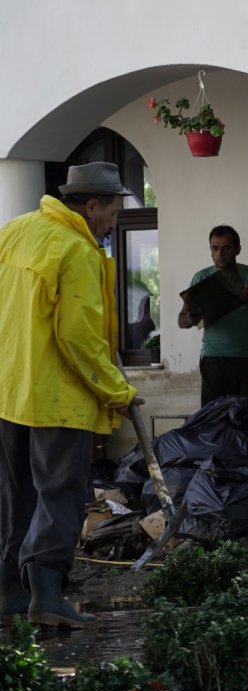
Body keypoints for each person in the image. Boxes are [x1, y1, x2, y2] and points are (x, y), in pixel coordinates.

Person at [0, 162, 143, 628]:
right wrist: (117, 390)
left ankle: (9, 592)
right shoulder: (77, 250)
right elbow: (78, 339)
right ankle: (45, 594)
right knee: (59, 493)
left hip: (9, 391)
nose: (114, 222)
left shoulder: (17, 230)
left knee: (15, 494)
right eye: (113, 212)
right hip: (58, 400)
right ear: (91, 205)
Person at [178, 225, 248, 428]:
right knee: (215, 424)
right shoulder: (202, 278)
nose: (219, 254)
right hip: (215, 360)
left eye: (226, 248)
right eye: (214, 248)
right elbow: (182, 319)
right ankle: (218, 460)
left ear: (238, 249)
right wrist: (191, 318)